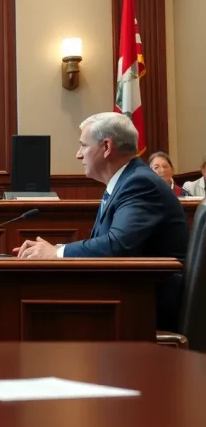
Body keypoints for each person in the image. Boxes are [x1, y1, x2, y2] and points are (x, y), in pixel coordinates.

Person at [13, 112, 189, 331]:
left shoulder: (140, 183)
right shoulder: (126, 181)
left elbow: (117, 245)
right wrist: (52, 249)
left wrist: (56, 254)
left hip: (146, 304)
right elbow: (109, 244)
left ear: (106, 147)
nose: (78, 155)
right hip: (129, 294)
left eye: (83, 146)